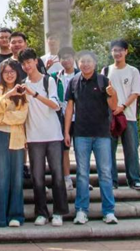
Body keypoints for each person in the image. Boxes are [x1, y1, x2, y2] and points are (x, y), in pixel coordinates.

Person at [64, 51, 118, 225]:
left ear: (95, 63)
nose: (85, 64)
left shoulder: (103, 81)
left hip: (102, 134)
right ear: (78, 63)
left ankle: (109, 211)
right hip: (81, 134)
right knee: (82, 174)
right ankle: (81, 210)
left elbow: (114, 106)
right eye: (82, 61)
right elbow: (69, 109)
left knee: (105, 173)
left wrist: (112, 93)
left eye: (89, 61)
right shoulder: (73, 82)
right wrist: (66, 132)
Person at [20, 49, 68, 226]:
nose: (27, 66)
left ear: (35, 61)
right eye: (23, 63)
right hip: (33, 136)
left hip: (53, 135)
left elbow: (55, 105)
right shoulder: (22, 84)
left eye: (29, 62)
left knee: (57, 175)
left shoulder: (49, 81)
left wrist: (35, 94)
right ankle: (41, 212)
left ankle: (59, 212)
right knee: (37, 177)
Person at [0, 58, 28, 228]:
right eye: (6, 72)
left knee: (16, 177)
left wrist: (1, 117)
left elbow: (21, 116)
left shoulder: (23, 91)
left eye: (12, 71)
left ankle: (16, 215)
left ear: (17, 73)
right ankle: (0, 217)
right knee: (0, 176)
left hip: (16, 137)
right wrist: (8, 95)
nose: (9, 75)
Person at [104, 39, 140, 191]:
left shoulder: (133, 71)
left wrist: (123, 106)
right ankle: (112, 181)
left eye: (120, 50)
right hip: (110, 116)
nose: (118, 53)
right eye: (115, 50)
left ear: (126, 52)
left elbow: (135, 92)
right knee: (109, 150)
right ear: (111, 52)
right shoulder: (106, 71)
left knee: (131, 149)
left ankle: (134, 179)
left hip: (128, 115)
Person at [56, 47, 79, 191]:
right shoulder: (55, 76)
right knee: (64, 150)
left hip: (81, 118)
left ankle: (82, 178)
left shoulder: (81, 74)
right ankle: (67, 178)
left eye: (69, 57)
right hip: (62, 117)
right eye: (63, 58)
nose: (66, 60)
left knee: (81, 150)